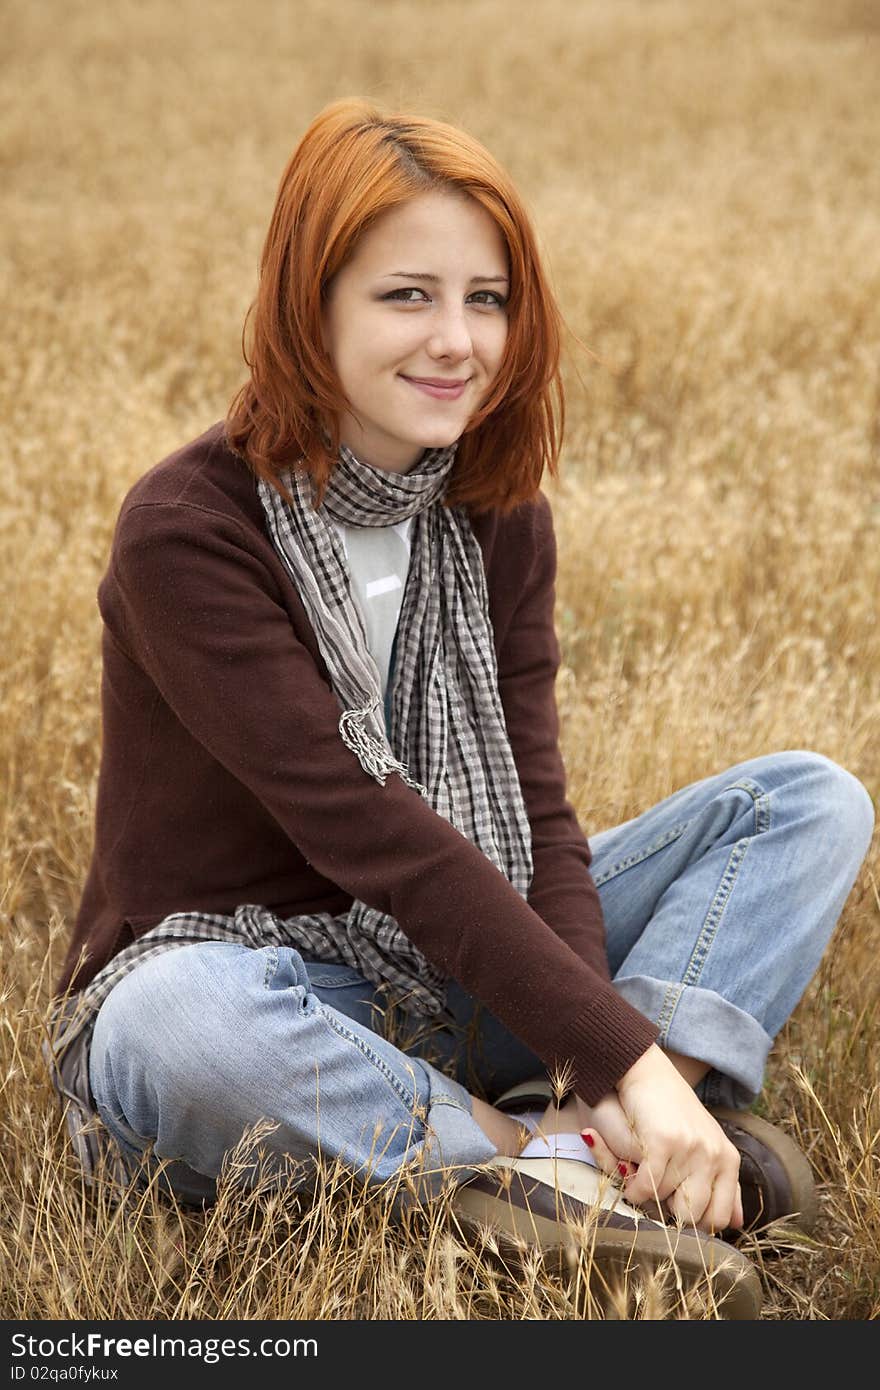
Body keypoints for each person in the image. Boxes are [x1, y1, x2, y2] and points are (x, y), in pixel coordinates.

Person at [46, 98, 874, 1318]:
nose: (457, 341)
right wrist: (628, 1061)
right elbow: (369, 831)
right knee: (175, 1023)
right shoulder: (190, 530)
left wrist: (598, 1055)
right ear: (307, 301)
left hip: (447, 971)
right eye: (406, 296)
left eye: (486, 299)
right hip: (254, 982)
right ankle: (544, 1164)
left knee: (805, 800)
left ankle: (577, 1137)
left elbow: (539, 820)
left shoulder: (496, 511)